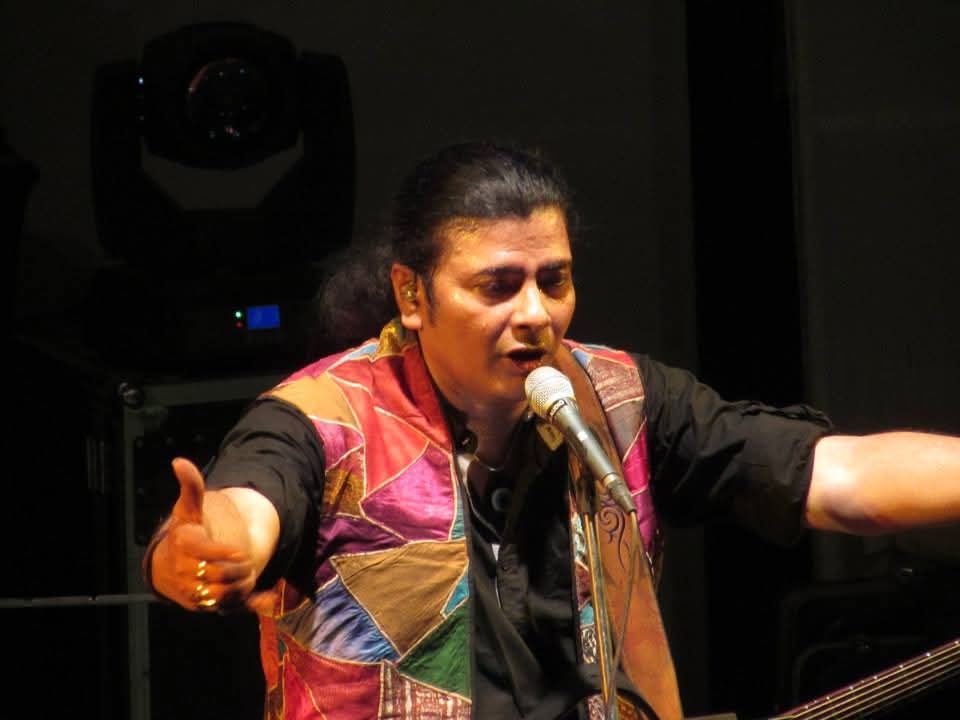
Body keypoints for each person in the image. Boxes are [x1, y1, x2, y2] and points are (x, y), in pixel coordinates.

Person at [144, 142, 960, 720]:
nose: (535, 313)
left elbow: (833, 475)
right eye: (497, 286)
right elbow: (248, 508)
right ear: (413, 296)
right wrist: (213, 548)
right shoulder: (325, 417)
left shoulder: (622, 399)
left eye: (554, 280)